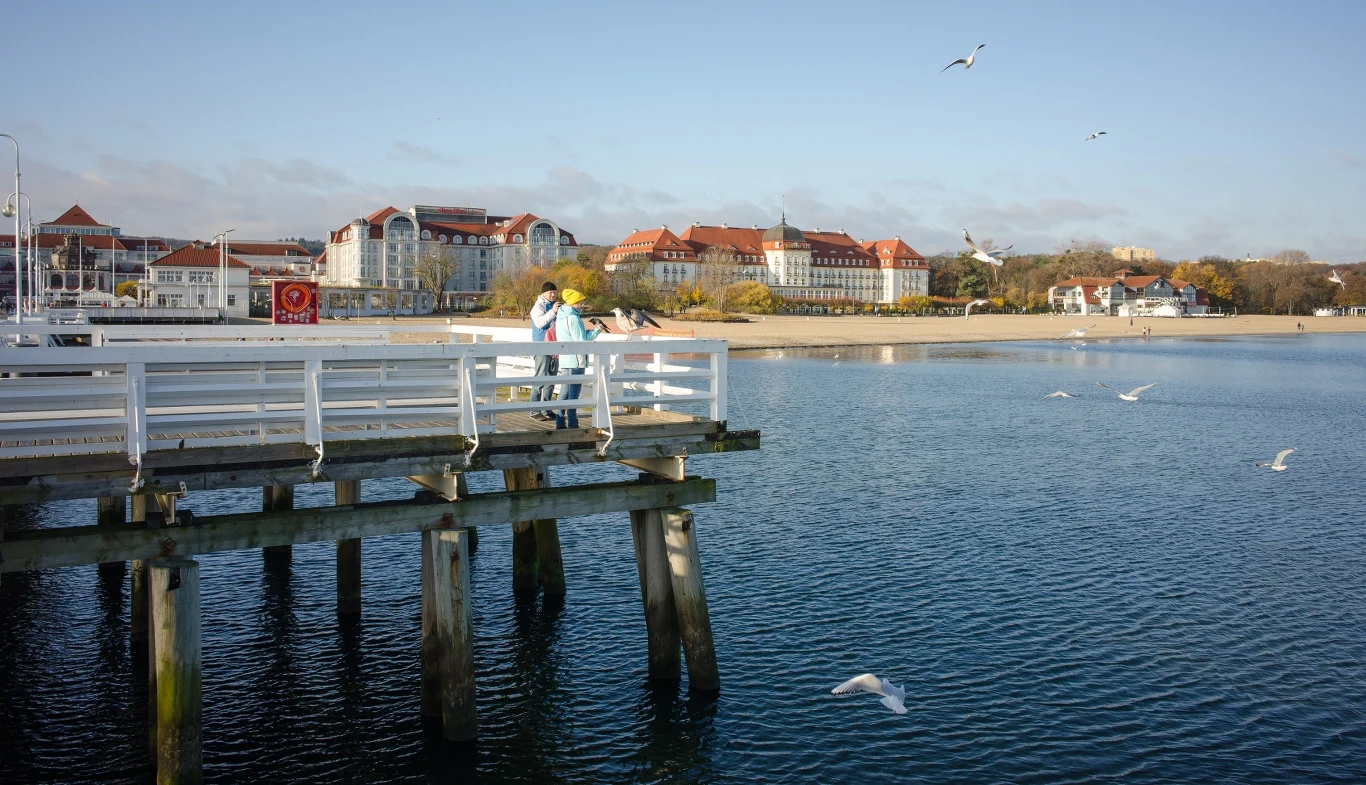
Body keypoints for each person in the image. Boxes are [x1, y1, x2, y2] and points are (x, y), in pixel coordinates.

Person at [553, 288, 603, 429]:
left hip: (565, 359)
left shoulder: (561, 317)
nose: (582, 305)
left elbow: (571, 336)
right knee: (573, 394)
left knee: (564, 392)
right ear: (574, 303)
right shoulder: (573, 318)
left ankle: (560, 421)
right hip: (576, 360)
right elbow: (582, 340)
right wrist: (597, 330)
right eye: (580, 303)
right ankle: (573, 424)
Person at [528, 281, 560, 421]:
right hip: (541, 345)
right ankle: (534, 410)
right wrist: (553, 311)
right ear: (543, 293)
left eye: (554, 292)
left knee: (551, 379)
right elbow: (540, 323)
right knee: (540, 378)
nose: (553, 294)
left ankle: (546, 409)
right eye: (550, 292)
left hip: (554, 345)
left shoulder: (555, 305)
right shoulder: (538, 307)